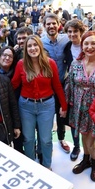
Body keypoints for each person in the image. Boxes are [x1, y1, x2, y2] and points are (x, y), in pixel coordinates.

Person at [12, 35, 67, 170]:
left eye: (35, 45)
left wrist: (64, 106)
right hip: (26, 106)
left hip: (46, 106)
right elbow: (13, 85)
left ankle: (47, 165)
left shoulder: (50, 63)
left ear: (40, 47)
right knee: (29, 139)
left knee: (46, 139)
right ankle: (31, 167)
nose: (33, 48)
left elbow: (57, 86)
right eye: (29, 46)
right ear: (26, 49)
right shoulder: (21, 64)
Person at [64, 30, 95, 181]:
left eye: (93, 43)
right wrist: (65, 105)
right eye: (86, 43)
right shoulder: (75, 63)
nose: (89, 47)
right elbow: (69, 84)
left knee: (92, 139)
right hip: (79, 108)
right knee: (84, 135)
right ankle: (86, 159)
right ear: (82, 46)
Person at [41, 13, 70, 154]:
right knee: (45, 116)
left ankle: (61, 138)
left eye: (54, 23)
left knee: (61, 114)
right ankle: (44, 143)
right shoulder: (40, 42)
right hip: (46, 86)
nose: (51, 26)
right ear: (44, 26)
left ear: (59, 24)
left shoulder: (66, 39)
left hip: (63, 83)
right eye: (48, 24)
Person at [63, 20, 85, 161]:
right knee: (74, 120)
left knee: (89, 122)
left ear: (80, 32)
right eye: (69, 32)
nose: (72, 34)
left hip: (89, 88)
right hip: (74, 89)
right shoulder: (66, 48)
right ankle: (76, 146)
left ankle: (89, 153)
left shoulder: (88, 45)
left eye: (75, 31)